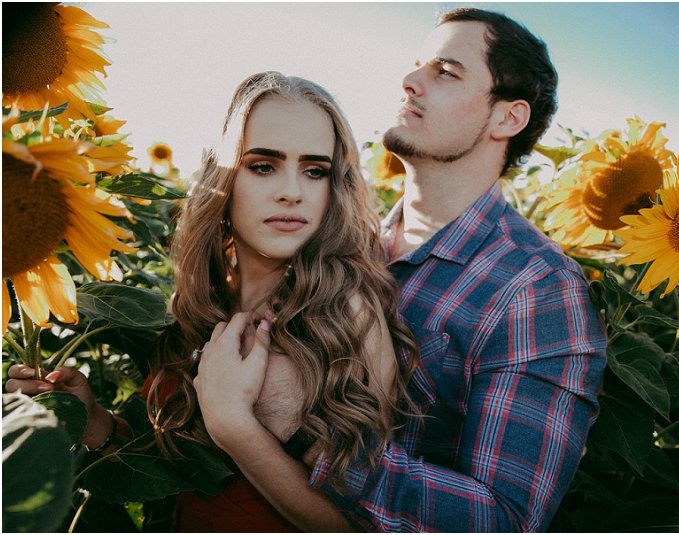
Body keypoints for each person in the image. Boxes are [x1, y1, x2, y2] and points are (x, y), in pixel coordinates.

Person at [6, 71, 420, 532]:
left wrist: (236, 427)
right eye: (263, 165)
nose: (292, 191)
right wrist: (93, 421)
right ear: (224, 175)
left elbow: (359, 524)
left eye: (314, 170)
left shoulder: (344, 315)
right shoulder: (199, 302)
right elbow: (184, 466)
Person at [254, 7, 607, 532]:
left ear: (508, 117)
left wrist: (304, 432)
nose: (410, 81)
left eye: (445, 72)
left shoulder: (536, 288)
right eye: (418, 65)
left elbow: (502, 520)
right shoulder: (335, 240)